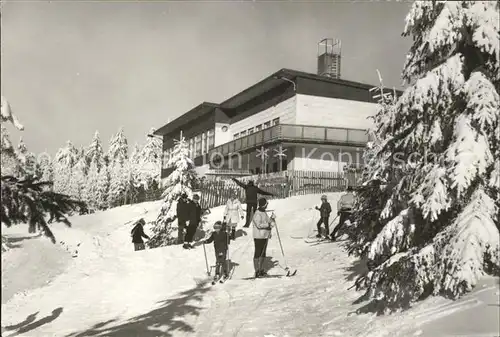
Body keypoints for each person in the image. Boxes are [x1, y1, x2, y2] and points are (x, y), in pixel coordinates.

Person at [252, 197, 275, 278]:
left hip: (265, 236)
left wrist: (272, 219)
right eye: (266, 204)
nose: (267, 205)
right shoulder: (257, 213)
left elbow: (268, 221)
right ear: (263, 205)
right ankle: (256, 271)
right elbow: (259, 225)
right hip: (258, 236)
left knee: (263, 253)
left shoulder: (263, 212)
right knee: (258, 253)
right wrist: (268, 225)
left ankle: (261, 269)